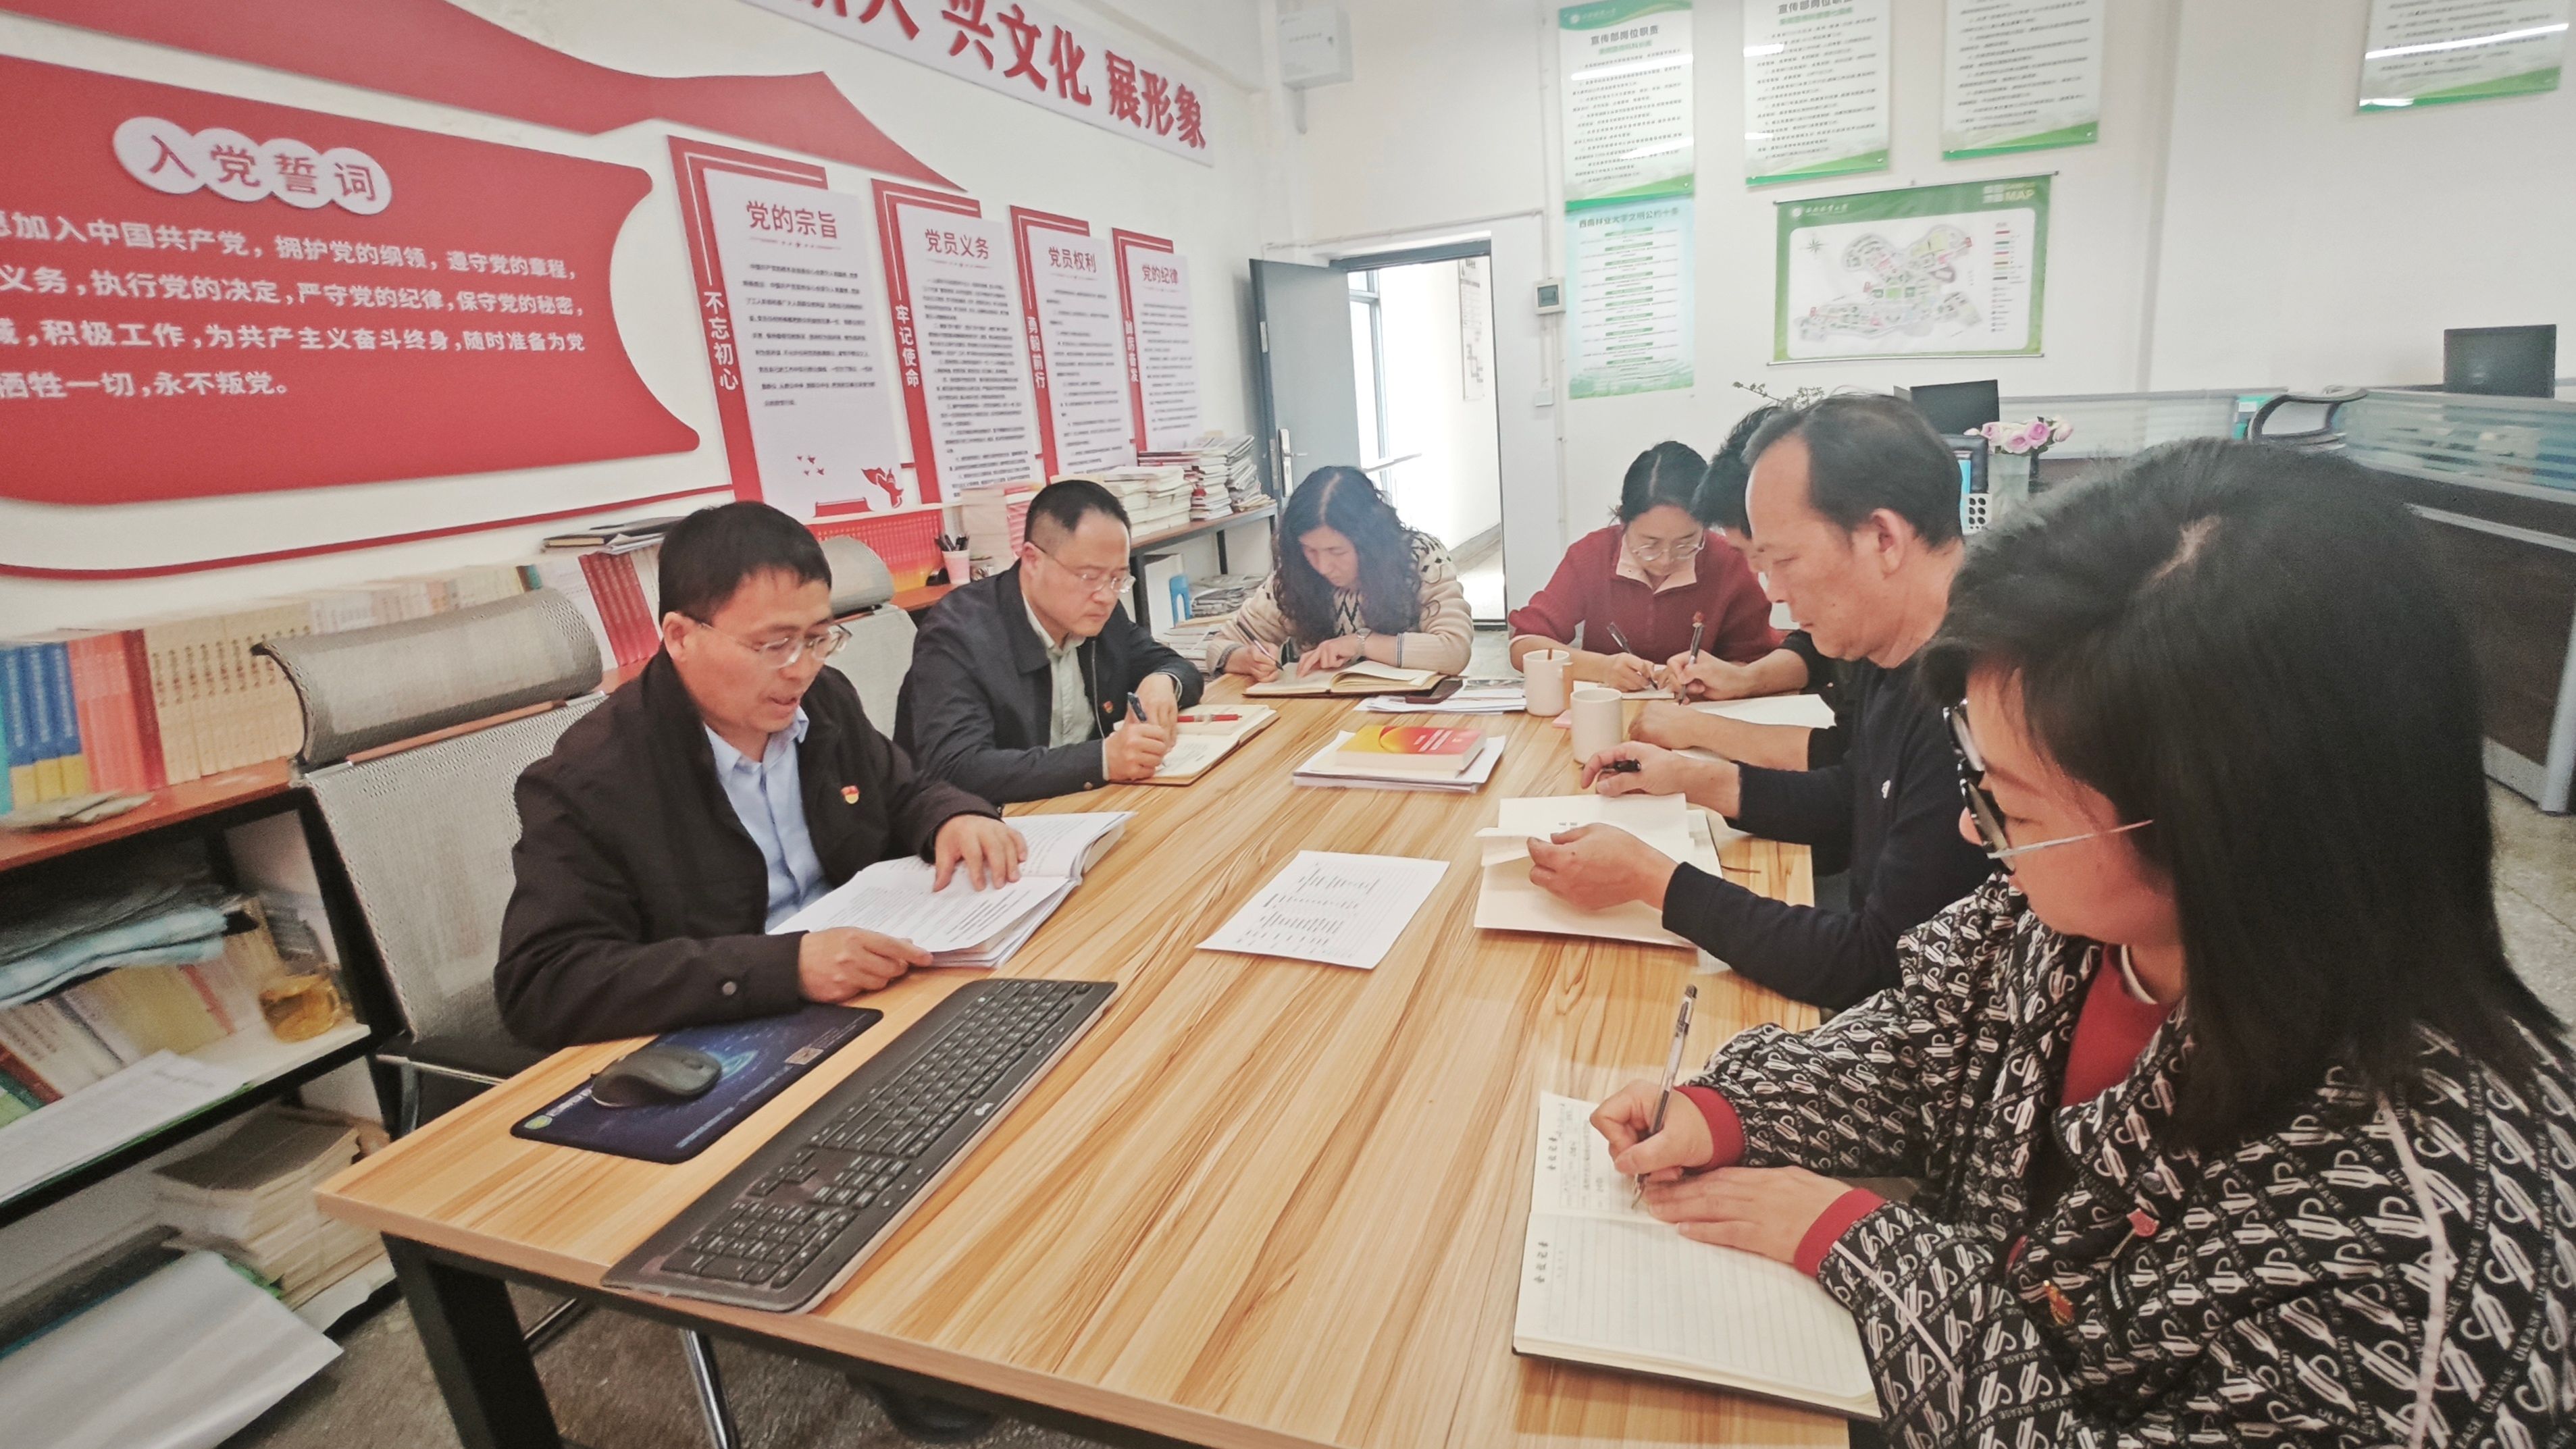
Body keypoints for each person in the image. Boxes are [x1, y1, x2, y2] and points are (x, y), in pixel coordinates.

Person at [1588, 438, 2574, 1446]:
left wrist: (1865, 1246)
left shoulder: (2419, 1250)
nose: (1974, 828)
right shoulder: (2068, 921)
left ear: (2220, 824)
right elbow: (1922, 1042)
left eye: (2010, 805)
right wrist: (1728, 1109)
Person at [495, 503, 1025, 1050]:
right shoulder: (591, 777)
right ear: (680, 637)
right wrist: (785, 967)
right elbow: (543, 983)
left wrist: (952, 817)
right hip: (726, 1038)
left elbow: (903, 791)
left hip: (875, 999)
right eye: (774, 646)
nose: (803, 669)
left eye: (818, 638)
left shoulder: (824, 701)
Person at [1526, 395, 1991, 1009]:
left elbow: (1877, 965)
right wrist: (1690, 777)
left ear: (1884, 538)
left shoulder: (1978, 701)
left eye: (1783, 560)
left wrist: (1653, 880)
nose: (1772, 593)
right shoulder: (1896, 654)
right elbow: (1854, 795)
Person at [896, 477, 1204, 803]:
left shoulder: (1101, 613)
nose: (1106, 596)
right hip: (990, 821)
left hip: (1084, 805)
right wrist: (1102, 760)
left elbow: (1178, 667)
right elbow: (956, 767)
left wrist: (1162, 681)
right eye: (1089, 576)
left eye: (1117, 578)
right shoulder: (958, 633)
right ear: (1033, 560)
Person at [1505, 440, 1780, 692]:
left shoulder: (1730, 562)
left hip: (1697, 715)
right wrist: (1602, 668)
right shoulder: (1592, 555)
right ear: (1623, 520)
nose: (1665, 559)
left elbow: (1756, 662)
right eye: (1650, 544)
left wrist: (1711, 675)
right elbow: (1524, 646)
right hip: (1608, 712)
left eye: (1686, 543)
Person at [1205, 466, 1474, 680]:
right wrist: (1246, 659)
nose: (1323, 566)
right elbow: (1220, 646)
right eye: (1310, 550)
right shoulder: (1297, 572)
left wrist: (1361, 643)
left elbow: (1454, 651)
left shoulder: (1418, 556)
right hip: (1324, 716)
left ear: (1369, 543)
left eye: (1337, 551)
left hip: (1409, 713)